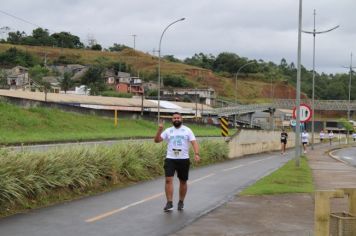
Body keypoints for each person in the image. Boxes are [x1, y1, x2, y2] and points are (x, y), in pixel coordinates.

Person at [154, 112, 200, 212]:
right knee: (168, 180)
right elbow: (157, 140)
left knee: (183, 181)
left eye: (178, 118)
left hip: (183, 159)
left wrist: (196, 154)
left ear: (181, 119)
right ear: (172, 120)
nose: (176, 119)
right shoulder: (168, 130)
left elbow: (194, 142)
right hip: (170, 159)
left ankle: (181, 201)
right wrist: (160, 129)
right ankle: (169, 203)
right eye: (174, 118)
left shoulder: (187, 130)